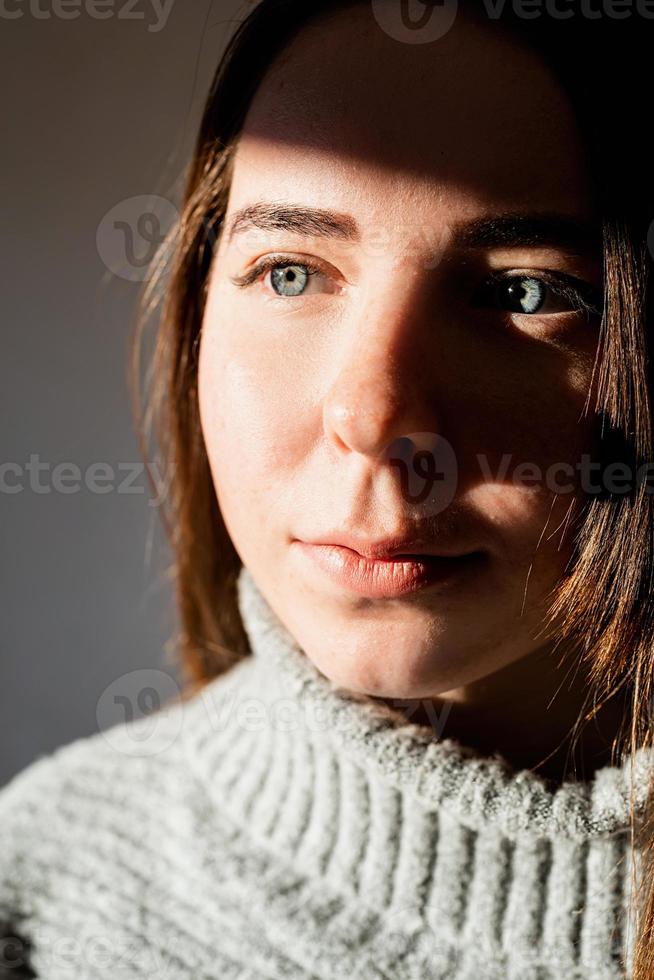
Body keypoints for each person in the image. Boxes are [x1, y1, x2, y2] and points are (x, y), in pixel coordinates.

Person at [2, 0, 654, 977]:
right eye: (292, 273)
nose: (377, 417)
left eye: (523, 291)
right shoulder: (45, 898)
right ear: (194, 317)